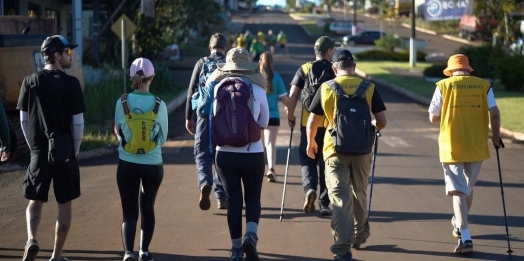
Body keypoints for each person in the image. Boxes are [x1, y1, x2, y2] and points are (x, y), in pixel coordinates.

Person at [306, 49, 387, 260]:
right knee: (359, 192)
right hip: (362, 151)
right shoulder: (368, 87)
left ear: (335, 68)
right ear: (353, 67)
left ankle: (342, 248)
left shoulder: (327, 87)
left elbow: (313, 121)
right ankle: (361, 234)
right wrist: (369, 130)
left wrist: (310, 142)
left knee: (340, 198)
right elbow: (382, 121)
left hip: (334, 150)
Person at [17, 35, 86, 261]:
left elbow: (23, 120)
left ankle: (31, 239)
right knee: (64, 204)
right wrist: (75, 151)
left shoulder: (30, 81)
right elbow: (78, 122)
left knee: (34, 202)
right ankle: (56, 255)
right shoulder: (71, 83)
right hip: (64, 151)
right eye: (67, 52)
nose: (70, 55)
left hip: (39, 152)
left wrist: (34, 147)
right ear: (56, 55)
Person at [197, 47, 269, 261]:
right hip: (252, 152)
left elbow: (210, 114)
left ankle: (236, 249)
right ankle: (251, 236)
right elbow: (264, 121)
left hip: (224, 154)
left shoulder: (218, 85)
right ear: (248, 65)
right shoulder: (257, 87)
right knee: (253, 198)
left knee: (234, 200)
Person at [428, 54, 501, 255]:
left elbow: (433, 117)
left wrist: (452, 112)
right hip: (476, 145)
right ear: (468, 70)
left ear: (451, 71)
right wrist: (495, 138)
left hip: (452, 146)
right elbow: (494, 112)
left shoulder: (443, 85)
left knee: (459, 190)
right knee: (467, 188)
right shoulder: (483, 85)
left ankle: (465, 237)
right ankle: (458, 222)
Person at [114, 57, 168, 261]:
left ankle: (128, 252)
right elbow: (162, 138)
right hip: (153, 164)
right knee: (148, 207)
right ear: (152, 77)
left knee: (129, 211)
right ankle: (144, 251)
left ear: (131, 77)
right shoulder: (159, 104)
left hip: (127, 163)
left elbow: (119, 132)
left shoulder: (122, 102)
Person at [287, 36, 339, 216]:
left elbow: (293, 94)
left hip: (307, 123)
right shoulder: (334, 70)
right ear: (330, 52)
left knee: (307, 157)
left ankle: (309, 189)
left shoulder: (304, 69)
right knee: (326, 162)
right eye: (334, 50)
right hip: (329, 124)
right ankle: (324, 203)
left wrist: (290, 115)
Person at [185, 33, 228, 210]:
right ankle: (221, 197)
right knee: (221, 153)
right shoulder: (228, 64)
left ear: (210, 47)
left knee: (202, 152)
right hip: (224, 116)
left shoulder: (201, 63)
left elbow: (191, 91)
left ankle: (204, 182)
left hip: (203, 115)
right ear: (225, 48)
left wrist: (189, 117)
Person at [259, 52, 288, 182]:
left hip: (257, 116)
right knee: (270, 144)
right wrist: (289, 109)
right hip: (273, 116)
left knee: (258, 145)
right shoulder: (277, 78)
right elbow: (284, 98)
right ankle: (271, 168)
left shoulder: (256, 78)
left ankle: (258, 169)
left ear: (260, 62)